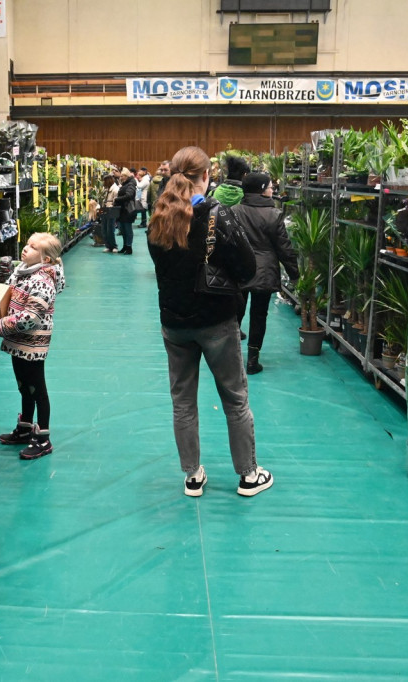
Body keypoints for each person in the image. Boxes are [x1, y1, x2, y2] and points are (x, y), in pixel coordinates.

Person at [147, 146, 274, 498]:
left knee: (183, 401)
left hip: (174, 323)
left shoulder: (159, 218)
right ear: (206, 176)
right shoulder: (217, 216)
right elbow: (248, 268)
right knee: (235, 398)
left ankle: (192, 476)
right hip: (216, 321)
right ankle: (249, 475)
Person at [0, 232, 66, 459]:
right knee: (23, 385)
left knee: (37, 389)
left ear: (45, 259)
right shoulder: (23, 272)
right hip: (19, 341)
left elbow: (31, 317)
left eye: (33, 247)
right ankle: (25, 427)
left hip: (33, 344)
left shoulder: (43, 280)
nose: (26, 248)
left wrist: (0, 325)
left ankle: (43, 438)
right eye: (27, 244)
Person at [231, 172, 300, 374]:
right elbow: (284, 248)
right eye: (270, 186)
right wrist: (294, 273)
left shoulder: (234, 211)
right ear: (262, 190)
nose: (272, 190)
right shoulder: (274, 214)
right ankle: (253, 360)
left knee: (235, 313)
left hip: (239, 270)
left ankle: (231, 358)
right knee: (259, 315)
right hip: (265, 270)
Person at [113, 167, 138, 254]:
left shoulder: (131, 184)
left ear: (127, 176)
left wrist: (117, 199)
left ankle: (129, 247)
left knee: (127, 229)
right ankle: (125, 246)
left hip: (127, 210)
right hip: (123, 210)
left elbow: (129, 195)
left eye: (123, 176)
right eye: (121, 176)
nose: (121, 177)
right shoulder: (125, 183)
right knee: (123, 229)